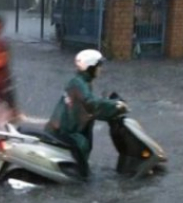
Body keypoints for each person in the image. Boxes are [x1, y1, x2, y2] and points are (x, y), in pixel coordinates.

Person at [44, 49, 126, 179]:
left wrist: (108, 106)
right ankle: (79, 183)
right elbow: (91, 103)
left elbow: (89, 107)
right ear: (90, 67)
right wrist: (115, 106)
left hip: (64, 129)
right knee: (82, 173)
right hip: (64, 132)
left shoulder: (81, 82)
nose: (100, 69)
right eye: (98, 66)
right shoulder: (78, 83)